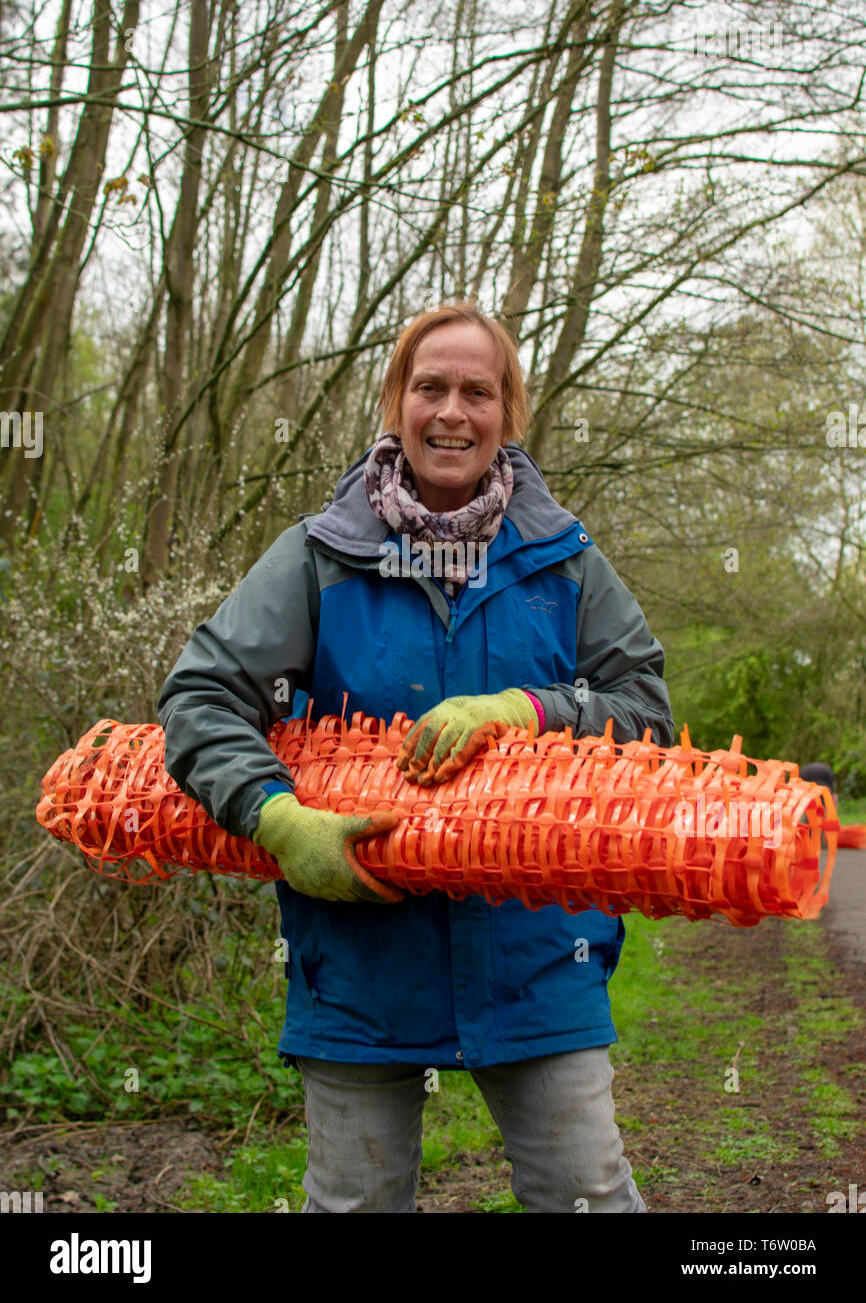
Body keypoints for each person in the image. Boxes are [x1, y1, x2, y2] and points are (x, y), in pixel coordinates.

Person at [158, 300, 675, 1213]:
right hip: (358, 951)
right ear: (395, 401)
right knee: (355, 1202)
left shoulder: (564, 562)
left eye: (478, 392)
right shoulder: (320, 558)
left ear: (507, 413)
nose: (452, 412)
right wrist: (277, 821)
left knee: (586, 1194)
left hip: (540, 952)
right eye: (430, 387)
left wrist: (529, 708)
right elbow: (201, 696)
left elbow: (649, 717)